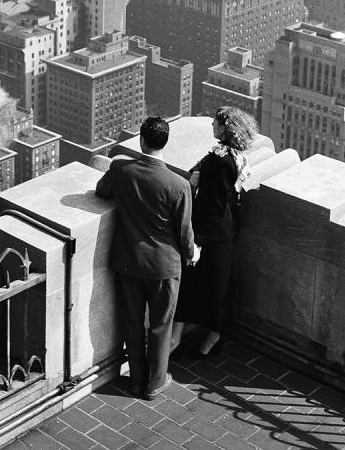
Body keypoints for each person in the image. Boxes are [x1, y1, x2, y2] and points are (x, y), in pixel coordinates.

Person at [96, 115, 195, 399]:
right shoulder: (179, 185)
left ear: (141, 140)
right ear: (166, 143)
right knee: (161, 325)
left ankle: (136, 380)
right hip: (164, 266)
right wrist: (192, 253)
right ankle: (155, 383)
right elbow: (185, 232)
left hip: (128, 261)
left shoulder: (120, 169)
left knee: (132, 321)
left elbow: (102, 191)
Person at [170, 105, 258, 358]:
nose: (211, 126)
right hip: (218, 232)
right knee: (207, 286)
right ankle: (201, 335)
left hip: (212, 234)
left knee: (208, 287)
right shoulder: (227, 156)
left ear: (225, 128)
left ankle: (210, 335)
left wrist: (198, 239)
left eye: (215, 123)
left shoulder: (222, 162)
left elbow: (216, 205)